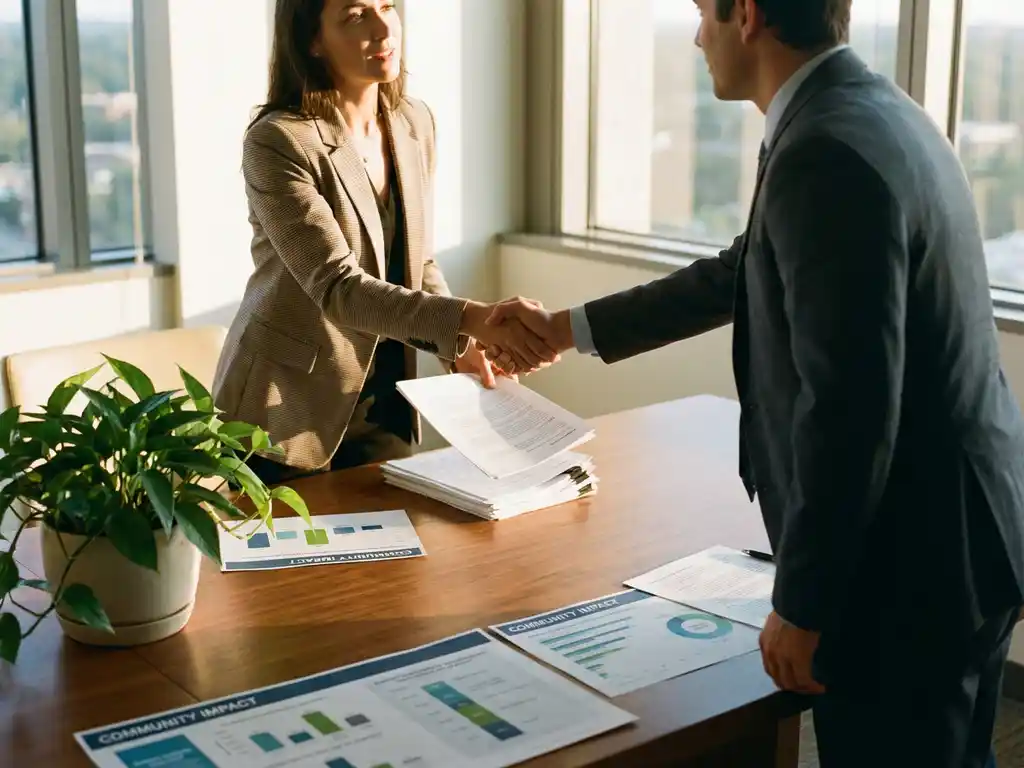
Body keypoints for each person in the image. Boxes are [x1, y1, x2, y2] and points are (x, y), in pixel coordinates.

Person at [484, 1, 1024, 765]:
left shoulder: (825, 149)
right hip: (966, 532)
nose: (698, 35)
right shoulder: (873, 110)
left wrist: (805, 602)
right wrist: (565, 330)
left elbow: (849, 407)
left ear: (747, 15)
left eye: (703, 13)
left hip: (913, 568)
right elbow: (745, 266)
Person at [212, 0, 555, 485]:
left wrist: (458, 344)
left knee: (398, 555)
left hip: (388, 394)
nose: (383, 28)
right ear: (312, 40)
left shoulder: (414, 123)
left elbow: (418, 261)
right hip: (284, 406)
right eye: (356, 16)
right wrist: (475, 317)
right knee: (301, 559)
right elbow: (337, 288)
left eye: (387, 6)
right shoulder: (279, 141)